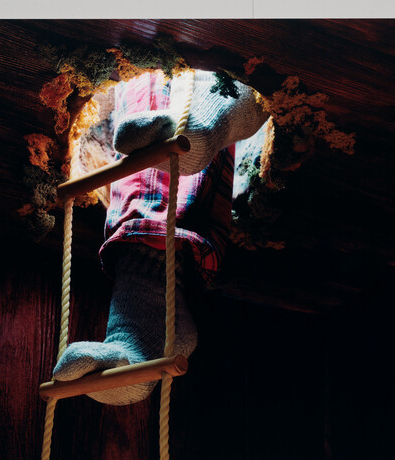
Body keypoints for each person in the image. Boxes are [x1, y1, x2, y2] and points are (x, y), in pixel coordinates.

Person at [53, 69, 269, 405]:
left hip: (188, 91)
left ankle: (202, 127)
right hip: (144, 124)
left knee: (228, 82)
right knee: (142, 189)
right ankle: (137, 331)